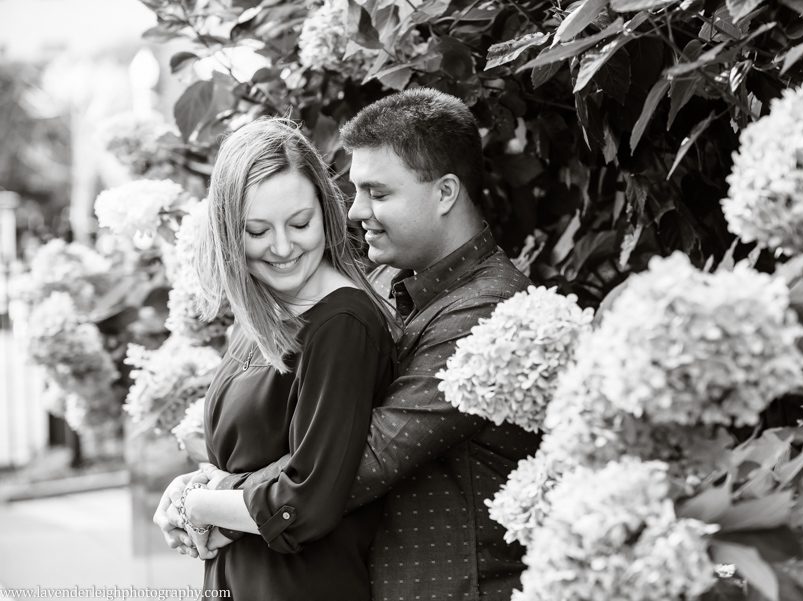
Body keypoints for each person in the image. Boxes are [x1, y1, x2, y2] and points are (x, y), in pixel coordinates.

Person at [156, 89, 541, 601]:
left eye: (378, 193)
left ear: (446, 192)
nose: (356, 211)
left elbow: (357, 460)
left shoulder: (489, 310)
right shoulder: (386, 286)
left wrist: (208, 498)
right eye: (356, 191)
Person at [166, 117, 395, 601]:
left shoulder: (342, 324)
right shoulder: (262, 313)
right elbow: (249, 462)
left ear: (325, 213)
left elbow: (307, 496)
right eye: (257, 230)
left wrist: (200, 506)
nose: (284, 248)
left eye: (300, 223)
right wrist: (190, 491)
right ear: (229, 232)